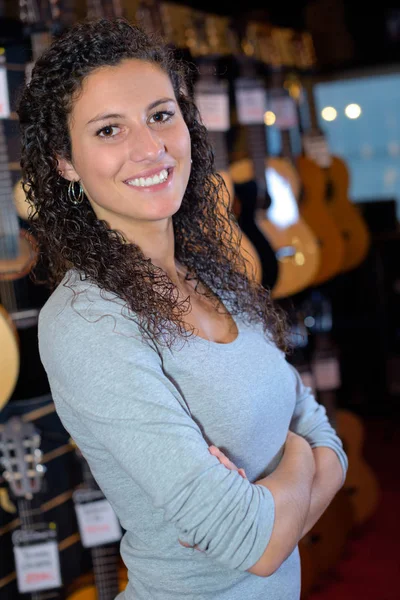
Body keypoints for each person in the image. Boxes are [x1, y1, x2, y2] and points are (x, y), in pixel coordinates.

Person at [17, 17, 348, 600]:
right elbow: (260, 543)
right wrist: (300, 456)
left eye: (161, 115)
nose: (149, 148)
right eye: (109, 130)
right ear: (66, 162)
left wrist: (275, 495)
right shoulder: (87, 323)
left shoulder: (217, 275)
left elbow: (329, 438)